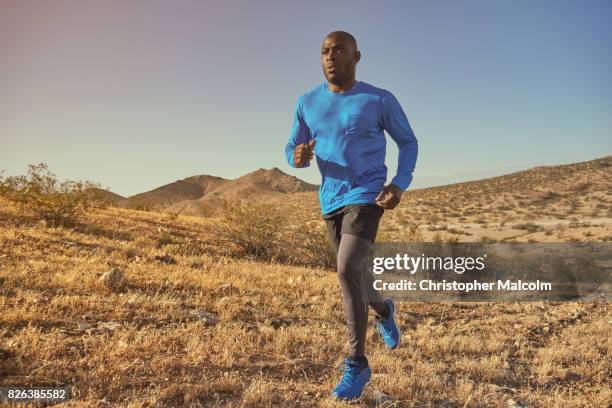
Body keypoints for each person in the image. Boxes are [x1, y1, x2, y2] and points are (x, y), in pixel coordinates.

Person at [284, 31, 418, 401]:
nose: (330, 56)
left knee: (345, 270)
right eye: (324, 51)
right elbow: (291, 145)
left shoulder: (378, 99)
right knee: (355, 275)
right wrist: (296, 156)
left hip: (367, 195)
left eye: (338, 50)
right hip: (330, 199)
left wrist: (399, 183)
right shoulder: (307, 101)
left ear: (356, 56)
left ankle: (357, 364)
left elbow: (408, 142)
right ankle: (384, 309)